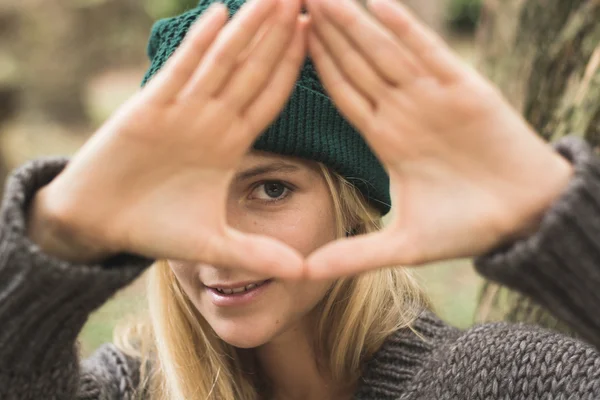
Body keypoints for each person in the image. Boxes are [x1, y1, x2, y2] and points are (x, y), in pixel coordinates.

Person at [1, 0, 599, 398]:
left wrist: (558, 224)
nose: (220, 242)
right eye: (188, 192)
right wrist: (61, 237)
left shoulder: (492, 381)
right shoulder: (133, 386)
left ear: (351, 205)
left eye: (271, 189)